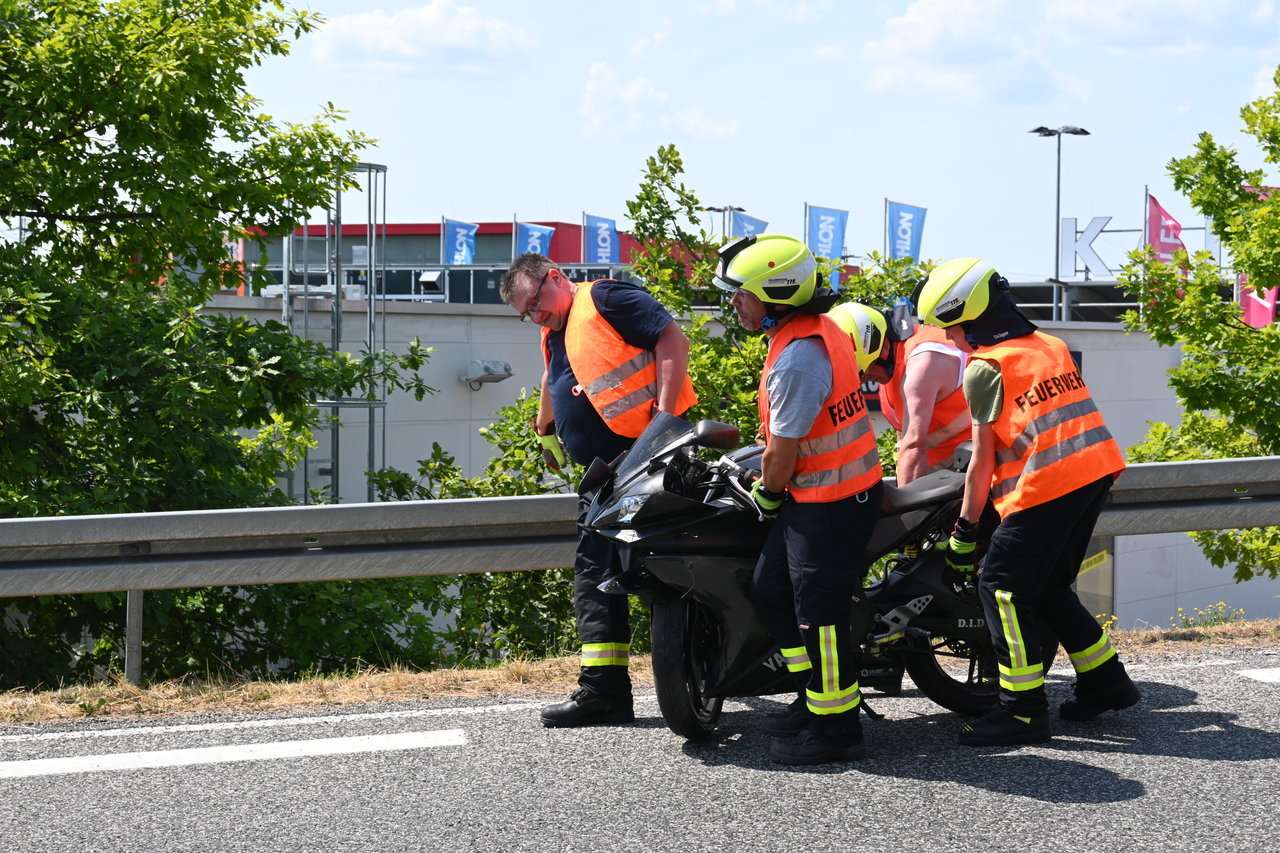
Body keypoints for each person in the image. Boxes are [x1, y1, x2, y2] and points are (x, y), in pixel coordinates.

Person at [913, 257, 1141, 746]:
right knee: (1051, 584)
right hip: (1096, 471)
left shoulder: (986, 367)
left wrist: (964, 533)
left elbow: (980, 464)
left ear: (976, 318)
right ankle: (1107, 683)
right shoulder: (1049, 344)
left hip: (1049, 485)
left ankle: (1020, 712)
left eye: (955, 328)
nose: (952, 340)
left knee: (1001, 587)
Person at [500, 253, 697, 727]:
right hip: (606, 473)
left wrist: (665, 422)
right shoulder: (557, 330)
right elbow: (555, 377)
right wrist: (547, 430)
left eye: (535, 304)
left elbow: (672, 339)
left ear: (556, 278)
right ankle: (604, 690)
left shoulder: (606, 298)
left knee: (665, 565)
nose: (535, 316)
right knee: (596, 571)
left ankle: (694, 671)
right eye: (526, 314)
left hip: (649, 460)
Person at [713, 234, 884, 765]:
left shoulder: (797, 360)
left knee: (820, 615)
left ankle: (837, 728)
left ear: (777, 295)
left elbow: (782, 458)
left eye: (742, 293)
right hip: (827, 493)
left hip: (831, 501)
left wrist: (765, 496)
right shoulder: (815, 330)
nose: (735, 302)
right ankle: (814, 698)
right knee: (770, 587)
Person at [829, 301, 971, 485]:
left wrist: (907, 509)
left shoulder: (923, 362)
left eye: (867, 372)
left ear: (883, 348)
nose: (866, 380)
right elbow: (903, 438)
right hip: (940, 476)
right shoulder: (891, 364)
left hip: (971, 472)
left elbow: (914, 446)